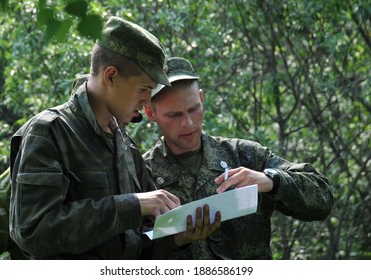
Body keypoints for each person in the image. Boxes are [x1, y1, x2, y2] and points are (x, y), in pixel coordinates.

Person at [9, 17, 218, 260]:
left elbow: (134, 247)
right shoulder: (50, 132)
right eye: (143, 89)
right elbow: (32, 232)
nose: (147, 102)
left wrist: (179, 237)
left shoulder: (125, 145)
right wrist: (132, 205)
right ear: (110, 76)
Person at [143, 57, 334, 259]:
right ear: (150, 112)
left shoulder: (243, 155)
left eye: (193, 109)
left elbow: (322, 199)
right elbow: (129, 253)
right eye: (174, 115)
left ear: (201, 97)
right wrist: (176, 240)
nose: (188, 123)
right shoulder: (143, 174)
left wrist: (272, 181)